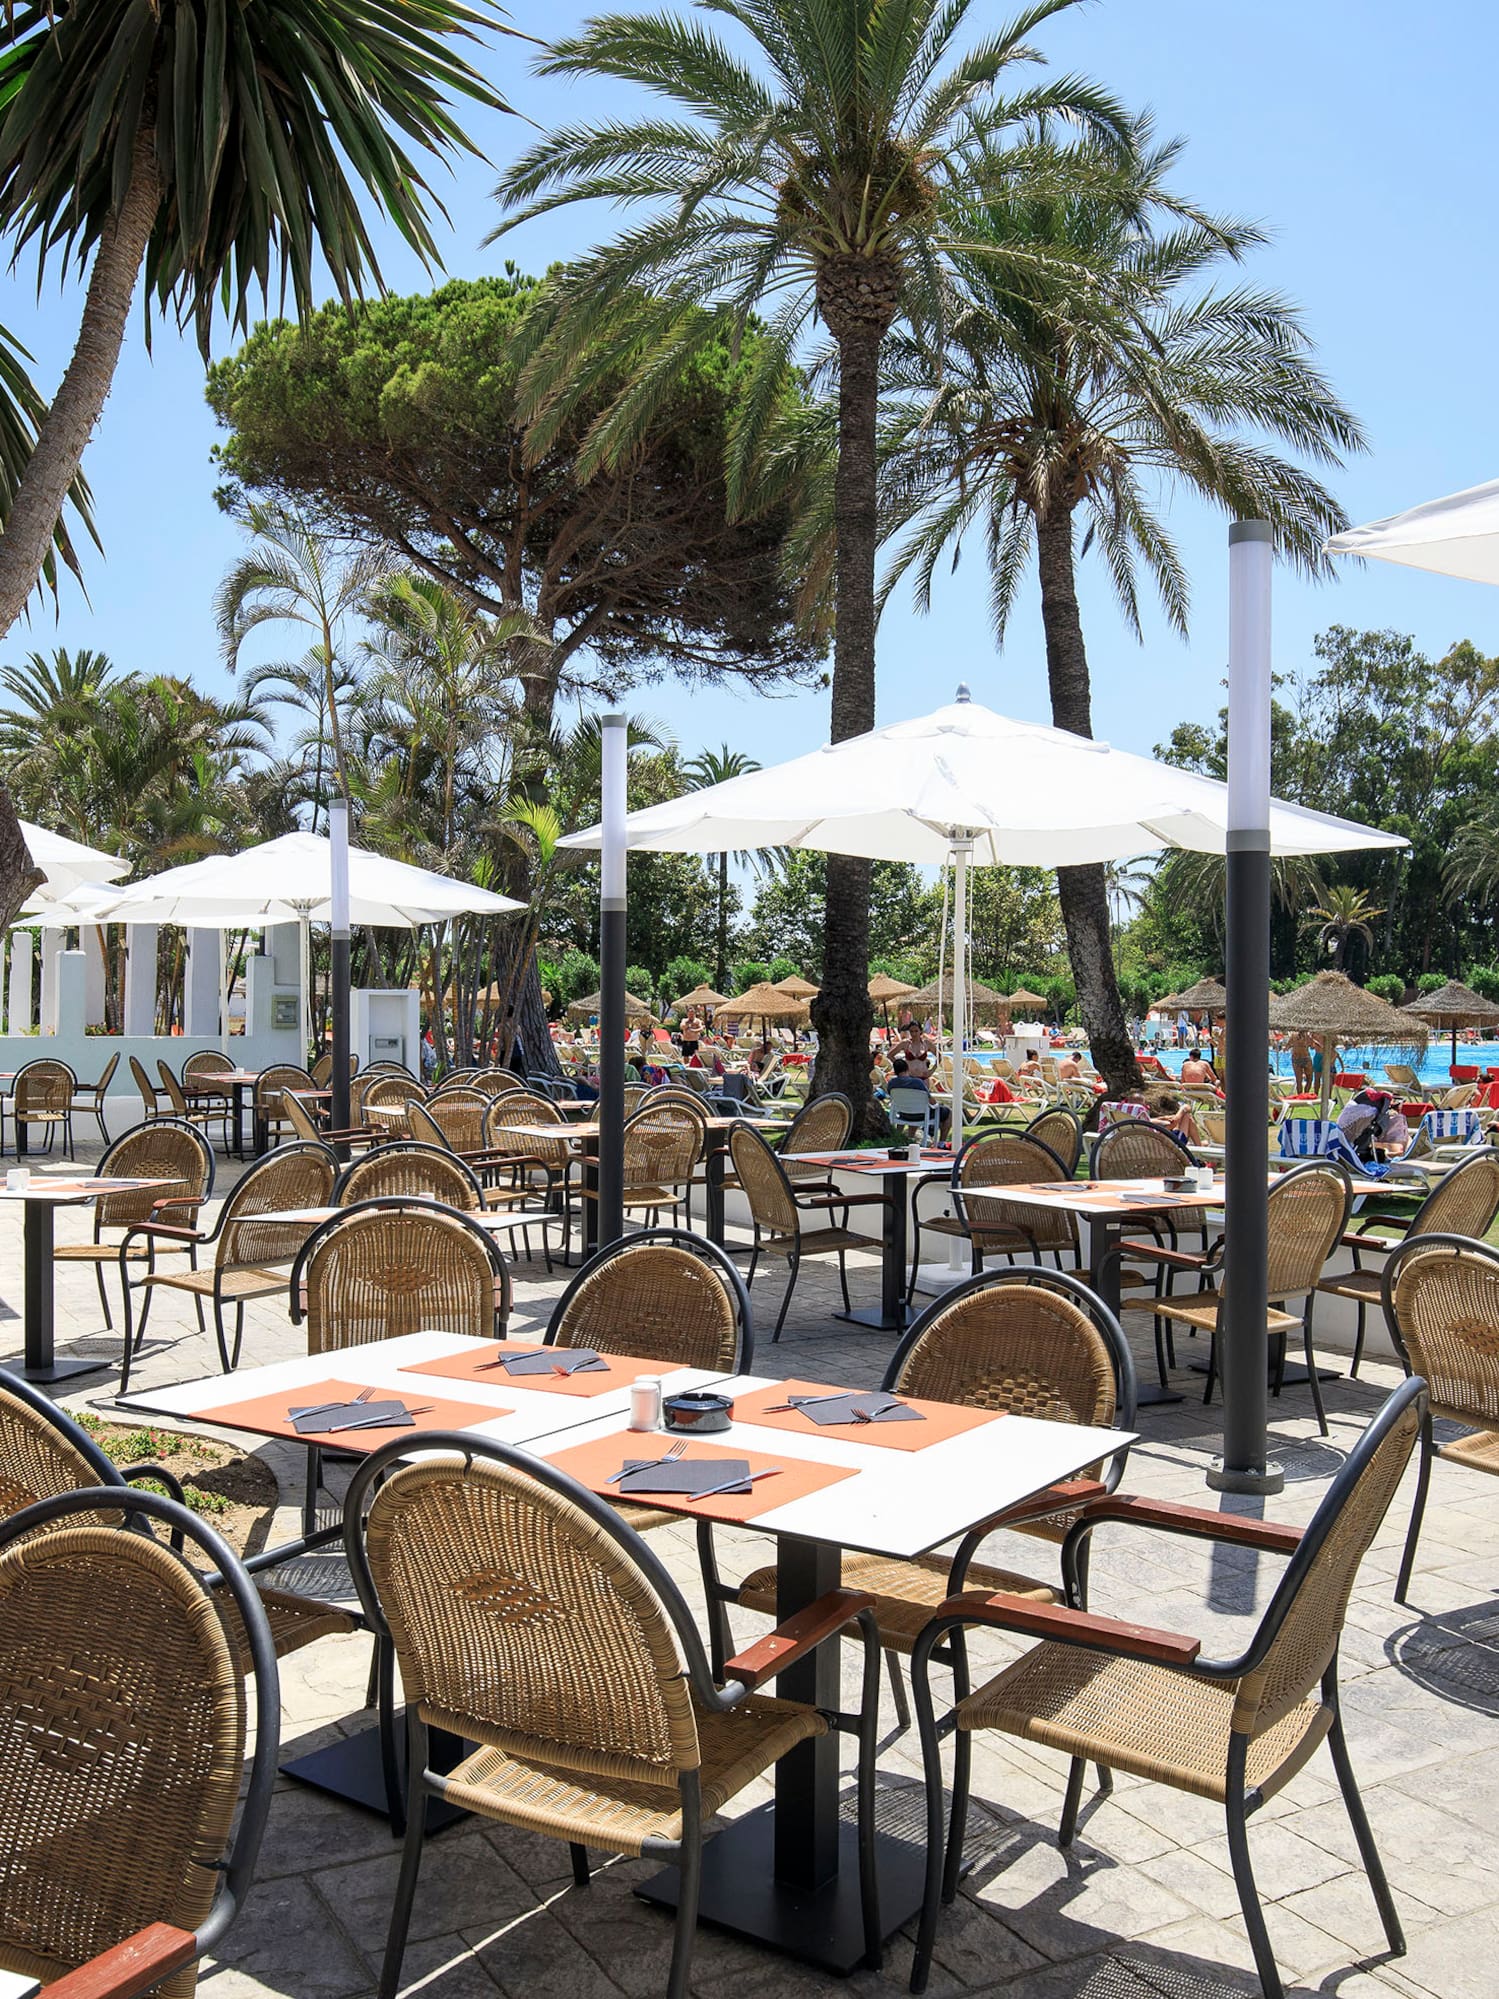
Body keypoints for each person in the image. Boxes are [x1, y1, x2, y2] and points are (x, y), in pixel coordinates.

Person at [889, 1054, 950, 1136]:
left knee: (915, 1108)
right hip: (921, 1115)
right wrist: (937, 1105)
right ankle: (941, 1141)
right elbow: (932, 1101)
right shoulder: (917, 1082)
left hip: (903, 1113)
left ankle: (910, 1137)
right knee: (948, 1113)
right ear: (907, 1069)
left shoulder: (892, 1084)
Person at [1289, 1028, 1315, 1096]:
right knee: (1304, 1079)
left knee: (1303, 1079)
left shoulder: (1304, 1037)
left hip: (1301, 1058)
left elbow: (1312, 1047)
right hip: (1301, 1058)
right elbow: (1312, 1046)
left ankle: (1303, 1095)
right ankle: (1303, 1095)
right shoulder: (1305, 1037)